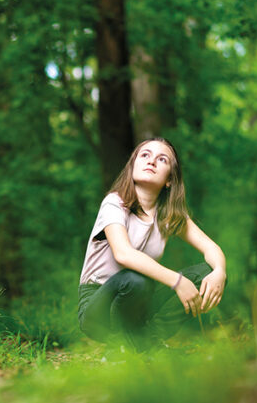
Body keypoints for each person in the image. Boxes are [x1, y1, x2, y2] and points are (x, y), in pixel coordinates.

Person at [78, 137, 226, 347]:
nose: (151, 161)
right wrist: (177, 281)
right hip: (98, 305)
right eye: (145, 155)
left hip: (140, 302)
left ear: (170, 180)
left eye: (162, 159)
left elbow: (210, 247)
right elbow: (124, 254)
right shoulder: (114, 203)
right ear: (133, 166)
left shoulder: (169, 215)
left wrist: (220, 271)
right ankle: (121, 342)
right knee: (135, 279)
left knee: (206, 274)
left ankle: (146, 341)